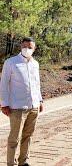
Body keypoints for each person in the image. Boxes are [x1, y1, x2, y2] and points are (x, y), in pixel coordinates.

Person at [0, 37, 44, 166]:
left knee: (28, 135)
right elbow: (3, 84)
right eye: (24, 46)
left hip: (33, 106)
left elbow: (37, 84)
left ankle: (23, 161)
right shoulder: (11, 62)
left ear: (34, 49)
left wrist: (40, 100)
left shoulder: (35, 64)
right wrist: (4, 104)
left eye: (30, 47)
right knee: (14, 138)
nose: (27, 49)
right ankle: (10, 163)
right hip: (17, 107)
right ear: (20, 47)